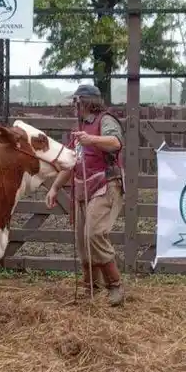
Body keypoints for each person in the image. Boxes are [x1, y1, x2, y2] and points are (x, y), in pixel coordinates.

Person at [45, 83, 125, 306]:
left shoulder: (105, 121)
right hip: (82, 188)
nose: (74, 106)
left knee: (94, 233)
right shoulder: (80, 128)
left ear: (87, 102)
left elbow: (116, 143)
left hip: (105, 184)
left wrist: (92, 140)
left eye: (76, 102)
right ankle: (91, 286)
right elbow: (71, 163)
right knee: (82, 239)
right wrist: (54, 187)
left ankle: (115, 285)